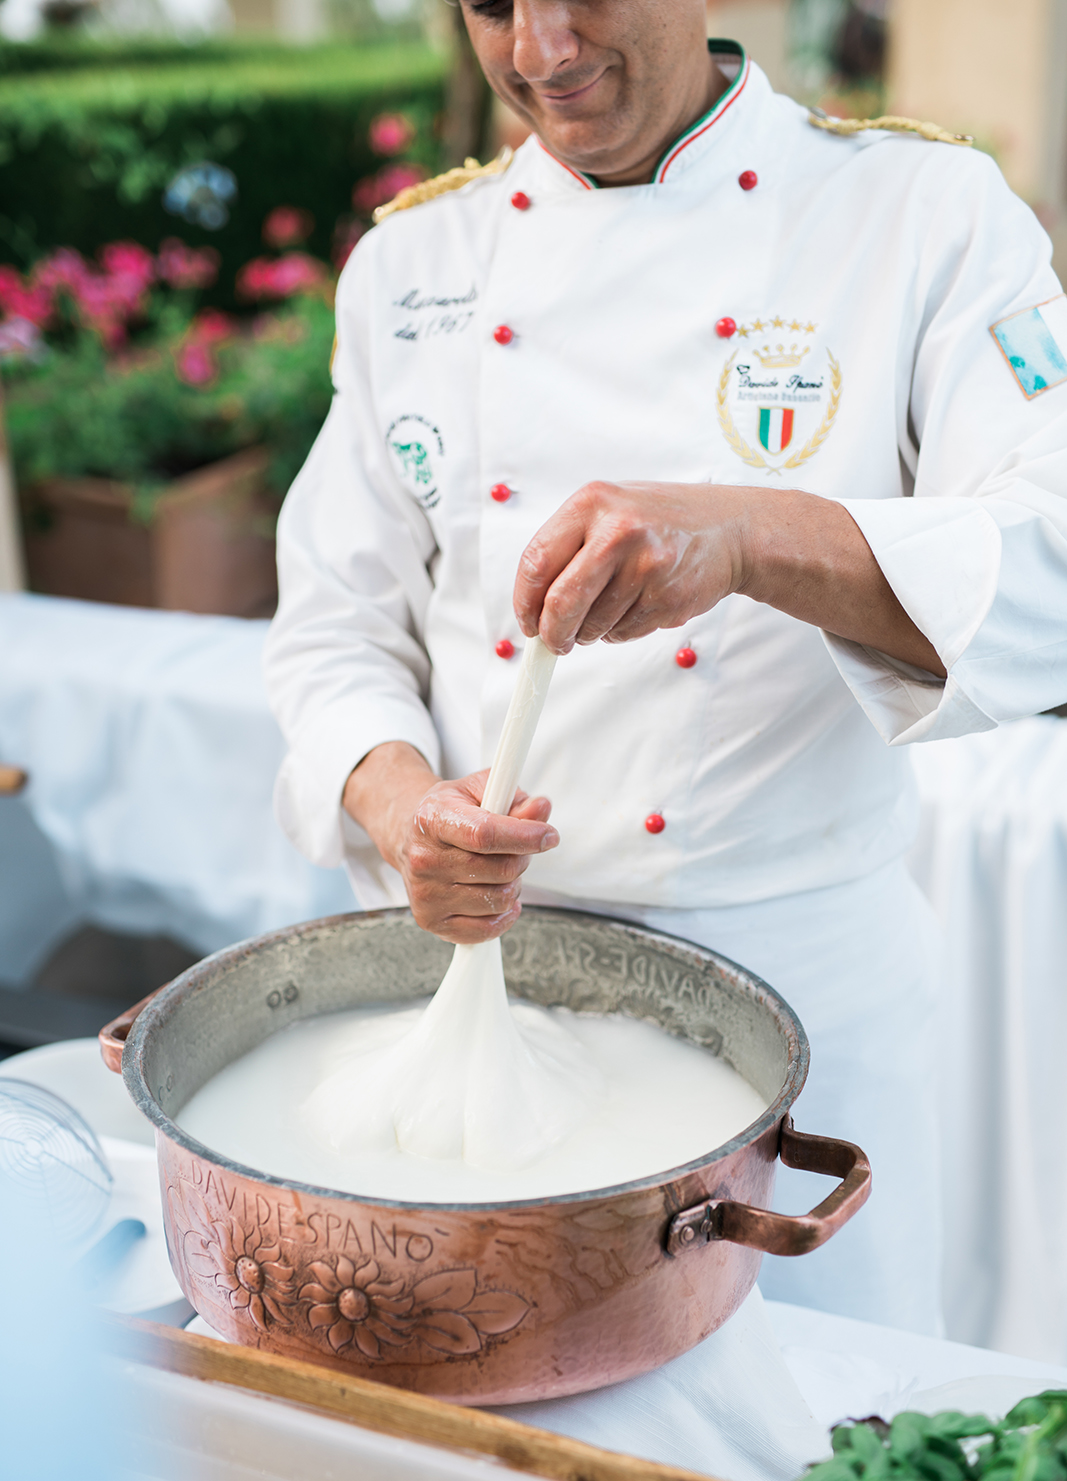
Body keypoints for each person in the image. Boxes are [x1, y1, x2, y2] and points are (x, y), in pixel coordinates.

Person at [263, 0, 1067, 1336]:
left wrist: (752, 534)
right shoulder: (415, 261)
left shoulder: (922, 214)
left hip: (804, 1027)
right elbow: (333, 629)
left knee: (809, 1457)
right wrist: (409, 813)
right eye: (488, 5)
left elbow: (1052, 556)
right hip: (479, 1001)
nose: (539, 51)